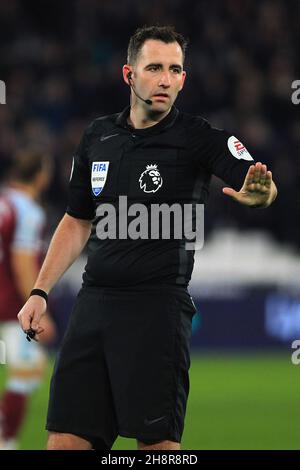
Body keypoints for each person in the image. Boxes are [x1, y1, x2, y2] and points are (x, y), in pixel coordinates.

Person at [17, 25, 277, 451]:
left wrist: (262, 193)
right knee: (64, 442)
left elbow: (257, 182)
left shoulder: (199, 137)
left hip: (158, 310)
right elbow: (77, 219)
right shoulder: (97, 137)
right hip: (94, 305)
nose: (165, 79)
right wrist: (40, 291)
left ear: (183, 78)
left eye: (175, 70)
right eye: (154, 67)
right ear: (128, 75)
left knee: (156, 448)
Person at [0, 149, 56, 450]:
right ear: (41, 176)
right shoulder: (27, 211)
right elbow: (22, 264)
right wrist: (38, 309)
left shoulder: (3, 202)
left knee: (33, 366)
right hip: (9, 306)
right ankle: (5, 442)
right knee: (26, 372)